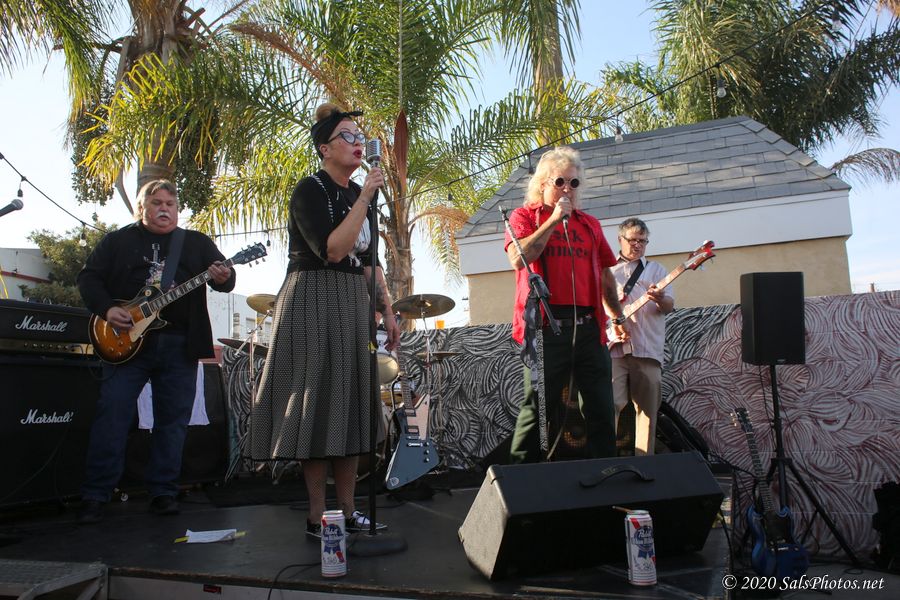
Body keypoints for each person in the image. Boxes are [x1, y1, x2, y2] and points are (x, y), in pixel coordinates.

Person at [249, 103, 401, 539]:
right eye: (347, 137)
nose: (357, 144)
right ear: (324, 148)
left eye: (359, 137)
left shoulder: (357, 193)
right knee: (315, 405)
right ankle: (318, 516)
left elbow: (370, 262)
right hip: (314, 296)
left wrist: (388, 310)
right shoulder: (310, 190)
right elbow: (333, 249)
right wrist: (366, 196)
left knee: (349, 406)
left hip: (352, 301)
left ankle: (349, 511)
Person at [77, 179, 236, 523]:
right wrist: (107, 309)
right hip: (124, 342)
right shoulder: (118, 241)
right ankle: (95, 494)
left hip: (179, 344)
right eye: (157, 203)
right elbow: (88, 279)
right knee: (112, 416)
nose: (165, 209)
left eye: (170, 204)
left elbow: (227, 281)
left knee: (173, 422)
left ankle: (163, 492)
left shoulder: (195, 243)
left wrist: (224, 276)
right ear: (142, 208)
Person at [503, 146, 627, 463]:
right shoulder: (524, 217)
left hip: (588, 329)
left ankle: (605, 473)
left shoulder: (589, 224)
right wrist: (554, 220)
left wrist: (617, 316)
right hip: (547, 328)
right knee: (537, 406)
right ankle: (519, 476)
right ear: (543, 183)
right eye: (560, 182)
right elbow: (519, 258)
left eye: (573, 183)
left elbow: (605, 275)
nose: (567, 189)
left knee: (601, 406)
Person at [608, 218, 674, 455]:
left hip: (646, 349)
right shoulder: (606, 270)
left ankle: (645, 463)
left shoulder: (657, 271)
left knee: (647, 412)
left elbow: (668, 306)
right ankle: (605, 461)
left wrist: (660, 298)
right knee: (609, 406)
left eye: (643, 241)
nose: (637, 245)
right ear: (620, 240)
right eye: (633, 240)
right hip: (613, 349)